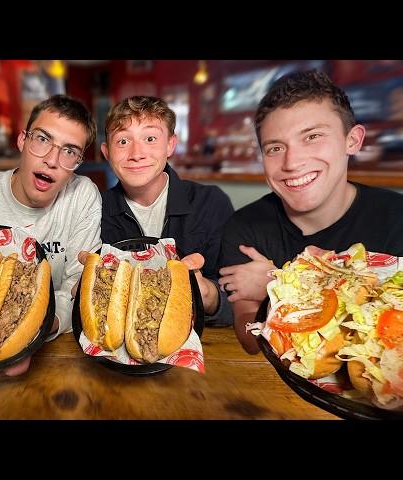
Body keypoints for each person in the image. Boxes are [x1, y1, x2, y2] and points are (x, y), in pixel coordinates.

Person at [217, 69, 403, 354]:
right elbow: (248, 336)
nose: (292, 162)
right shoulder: (244, 227)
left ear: (352, 140)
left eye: (312, 136)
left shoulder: (396, 219)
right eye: (275, 147)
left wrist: (278, 285)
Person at [0, 94, 101, 383]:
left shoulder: (83, 197)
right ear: (22, 140)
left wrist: (40, 329)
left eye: (69, 152)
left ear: (78, 162)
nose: (52, 160)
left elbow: (76, 287)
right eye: (42, 140)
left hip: (54, 370)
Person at [95, 96, 235, 326]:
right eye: (122, 142)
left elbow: (239, 306)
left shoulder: (211, 203)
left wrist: (208, 295)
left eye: (150, 138)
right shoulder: (95, 210)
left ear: (170, 144)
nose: (136, 153)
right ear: (107, 152)